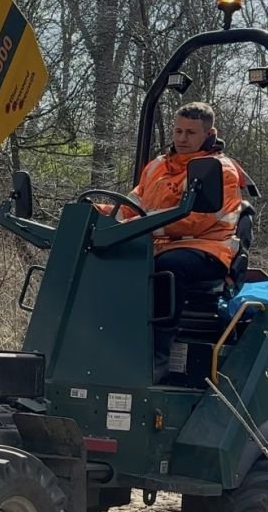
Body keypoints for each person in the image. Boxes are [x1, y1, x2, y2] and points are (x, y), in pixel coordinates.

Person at [100, 101, 248, 380]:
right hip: (156, 246)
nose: (182, 138)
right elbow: (133, 205)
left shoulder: (219, 170)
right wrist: (97, 214)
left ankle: (157, 356)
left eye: (190, 133)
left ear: (209, 133)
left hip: (205, 249)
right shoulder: (157, 166)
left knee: (168, 267)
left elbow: (197, 220)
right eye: (178, 131)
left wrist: (141, 227)